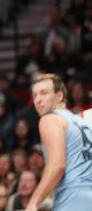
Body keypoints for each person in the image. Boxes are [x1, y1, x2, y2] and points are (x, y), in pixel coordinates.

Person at [26, 73, 92, 211]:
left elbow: (57, 165)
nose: (38, 100)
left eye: (43, 93)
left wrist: (33, 203)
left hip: (73, 197)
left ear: (59, 96)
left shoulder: (50, 119)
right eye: (35, 95)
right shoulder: (81, 122)